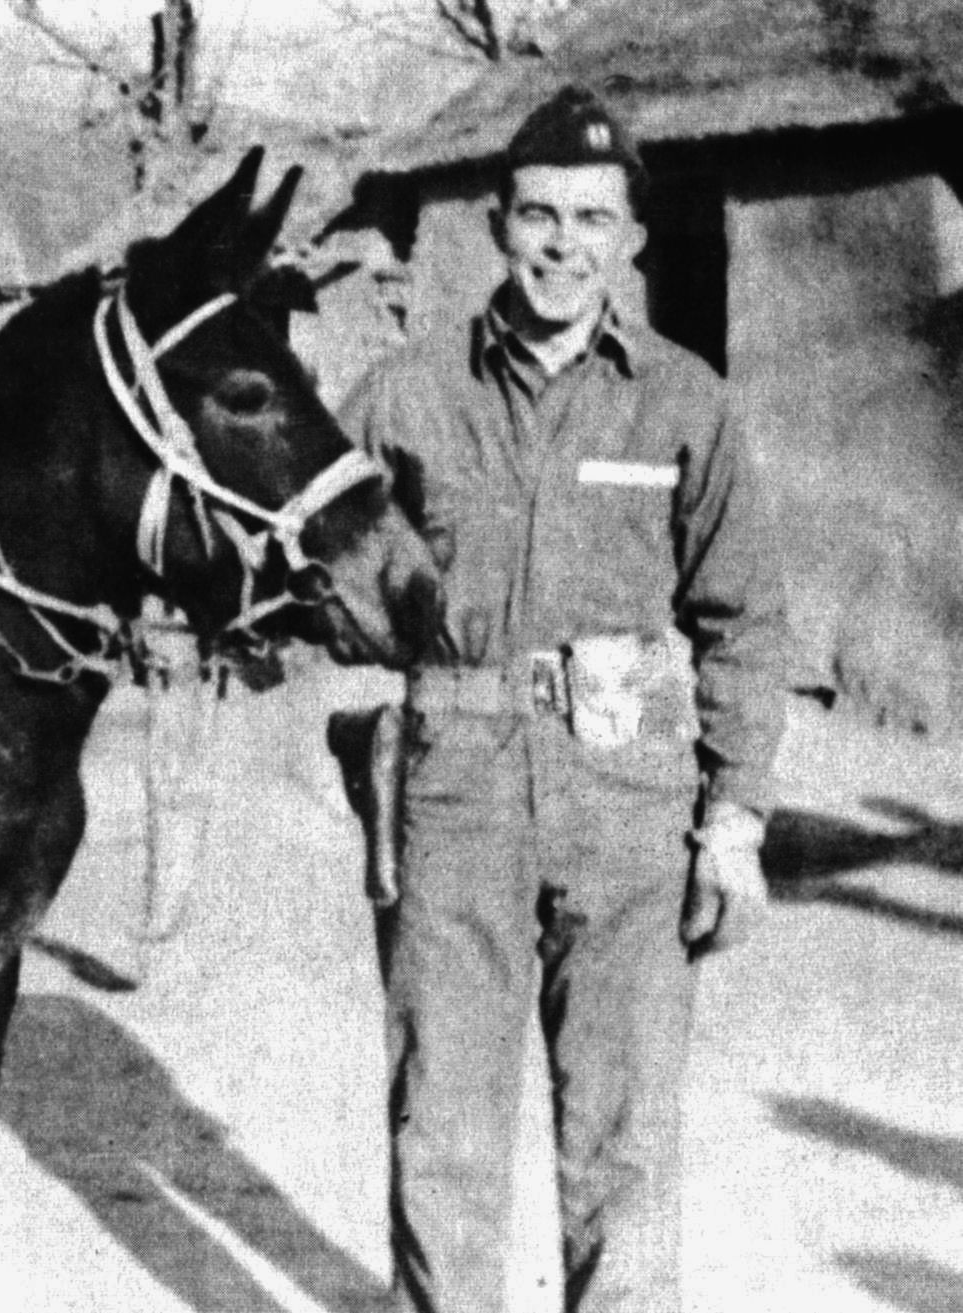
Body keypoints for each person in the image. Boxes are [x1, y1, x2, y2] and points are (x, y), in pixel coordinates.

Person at [338, 85, 788, 1313]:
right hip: (454, 788)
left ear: (629, 239)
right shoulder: (401, 394)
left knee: (624, 1137)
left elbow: (740, 618)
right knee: (442, 1127)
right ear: (496, 224)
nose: (560, 245)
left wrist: (734, 820)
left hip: (629, 791)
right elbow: (313, 579)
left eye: (591, 220)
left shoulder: (683, 400)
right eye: (537, 215)